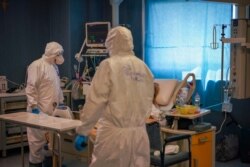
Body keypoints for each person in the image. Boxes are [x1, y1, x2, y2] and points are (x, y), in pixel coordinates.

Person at [74, 26, 154, 167]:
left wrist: (84, 130)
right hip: (140, 137)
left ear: (111, 43)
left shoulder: (108, 65)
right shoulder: (144, 67)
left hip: (114, 138)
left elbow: (95, 101)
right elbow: (148, 99)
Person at [25, 41, 65, 167]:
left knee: (51, 145)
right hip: (38, 112)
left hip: (51, 112)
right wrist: (33, 106)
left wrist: (61, 102)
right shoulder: (36, 66)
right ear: (52, 54)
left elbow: (56, 87)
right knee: (36, 145)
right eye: (59, 54)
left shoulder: (54, 67)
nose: (60, 57)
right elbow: (31, 87)